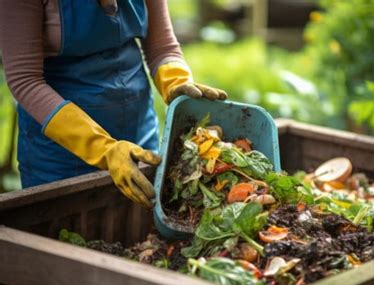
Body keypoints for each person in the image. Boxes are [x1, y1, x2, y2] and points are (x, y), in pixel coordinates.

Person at [0, 0, 227, 207]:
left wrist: (175, 83)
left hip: (138, 135)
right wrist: (103, 149)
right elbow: (25, 81)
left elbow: (162, 47)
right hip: (60, 157)